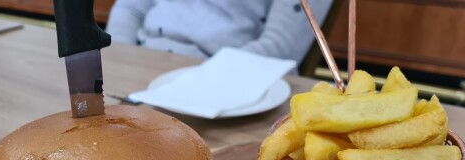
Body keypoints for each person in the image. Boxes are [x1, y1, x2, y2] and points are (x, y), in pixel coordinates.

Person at [106, 0, 333, 64]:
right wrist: (116, 57)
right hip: (140, 60)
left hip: (227, 75)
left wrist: (208, 75)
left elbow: (280, 47)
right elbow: (130, 9)